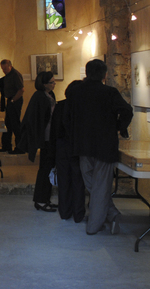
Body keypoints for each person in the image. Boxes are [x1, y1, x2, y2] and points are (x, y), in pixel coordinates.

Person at [64, 59, 133, 235]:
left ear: (86, 73)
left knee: (94, 184)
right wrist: (119, 126)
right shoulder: (109, 92)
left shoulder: (76, 91)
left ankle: (101, 219)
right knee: (100, 186)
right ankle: (100, 222)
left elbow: (68, 116)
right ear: (104, 74)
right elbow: (127, 111)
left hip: (82, 144)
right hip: (104, 145)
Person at [19, 71, 57, 212]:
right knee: (45, 169)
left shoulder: (49, 95)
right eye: (52, 82)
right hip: (45, 138)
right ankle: (40, 200)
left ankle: (45, 199)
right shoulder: (39, 96)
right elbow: (36, 119)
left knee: (48, 169)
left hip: (50, 137)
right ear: (44, 84)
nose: (54, 84)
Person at [53, 82, 86, 222]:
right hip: (78, 147)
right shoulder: (83, 108)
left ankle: (65, 211)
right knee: (78, 181)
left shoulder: (60, 106)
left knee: (64, 180)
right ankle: (78, 214)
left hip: (62, 146)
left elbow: (55, 130)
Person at [0, 59, 24, 154]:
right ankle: (6, 146)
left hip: (15, 100)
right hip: (10, 100)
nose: (4, 71)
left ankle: (20, 148)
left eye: (5, 68)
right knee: (8, 124)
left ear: (10, 66)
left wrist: (13, 100)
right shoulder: (8, 76)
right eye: (2, 69)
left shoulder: (15, 74)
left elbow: (21, 90)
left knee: (15, 124)